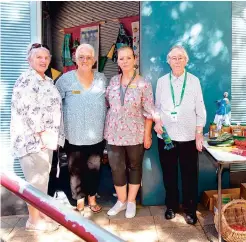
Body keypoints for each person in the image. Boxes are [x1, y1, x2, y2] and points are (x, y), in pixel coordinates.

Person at [11, 43, 64, 232]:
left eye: (46, 57)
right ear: (29, 59)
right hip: (33, 141)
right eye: (38, 57)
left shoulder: (46, 80)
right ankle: (33, 221)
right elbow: (27, 111)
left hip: (46, 141)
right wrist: (43, 135)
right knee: (35, 181)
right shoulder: (26, 80)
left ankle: (40, 214)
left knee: (42, 180)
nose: (43, 60)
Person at [154, 45, 207, 225]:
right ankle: (171, 206)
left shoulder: (194, 81)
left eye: (180, 58)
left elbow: (200, 109)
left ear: (186, 61)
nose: (177, 61)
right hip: (166, 137)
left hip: (188, 138)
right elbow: (157, 107)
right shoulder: (161, 81)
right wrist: (157, 121)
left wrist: (199, 134)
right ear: (168, 61)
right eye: (173, 58)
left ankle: (190, 209)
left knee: (189, 175)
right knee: (169, 174)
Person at [55, 44, 107, 214]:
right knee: (75, 170)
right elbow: (55, 105)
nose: (85, 60)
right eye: (81, 57)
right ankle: (79, 200)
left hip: (96, 134)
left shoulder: (102, 79)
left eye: (89, 57)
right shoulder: (65, 80)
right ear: (75, 60)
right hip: (74, 134)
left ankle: (92, 197)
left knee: (94, 168)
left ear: (94, 60)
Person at [105, 46, 154, 218]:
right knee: (116, 168)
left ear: (134, 59)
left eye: (128, 58)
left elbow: (149, 111)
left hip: (135, 133)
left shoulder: (143, 83)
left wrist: (147, 134)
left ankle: (132, 201)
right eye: (121, 58)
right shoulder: (112, 82)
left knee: (134, 166)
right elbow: (107, 104)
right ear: (117, 61)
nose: (124, 61)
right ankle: (121, 201)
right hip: (113, 133)